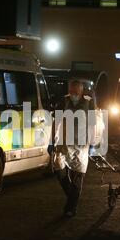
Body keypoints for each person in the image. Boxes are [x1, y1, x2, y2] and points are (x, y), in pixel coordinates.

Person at [52, 79, 98, 218]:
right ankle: (72, 197)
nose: (73, 95)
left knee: (77, 175)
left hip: (82, 145)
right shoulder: (64, 101)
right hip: (64, 143)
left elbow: (92, 124)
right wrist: (51, 141)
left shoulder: (89, 102)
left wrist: (92, 143)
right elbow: (57, 121)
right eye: (71, 92)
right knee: (59, 171)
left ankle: (70, 208)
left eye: (76, 92)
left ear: (81, 91)